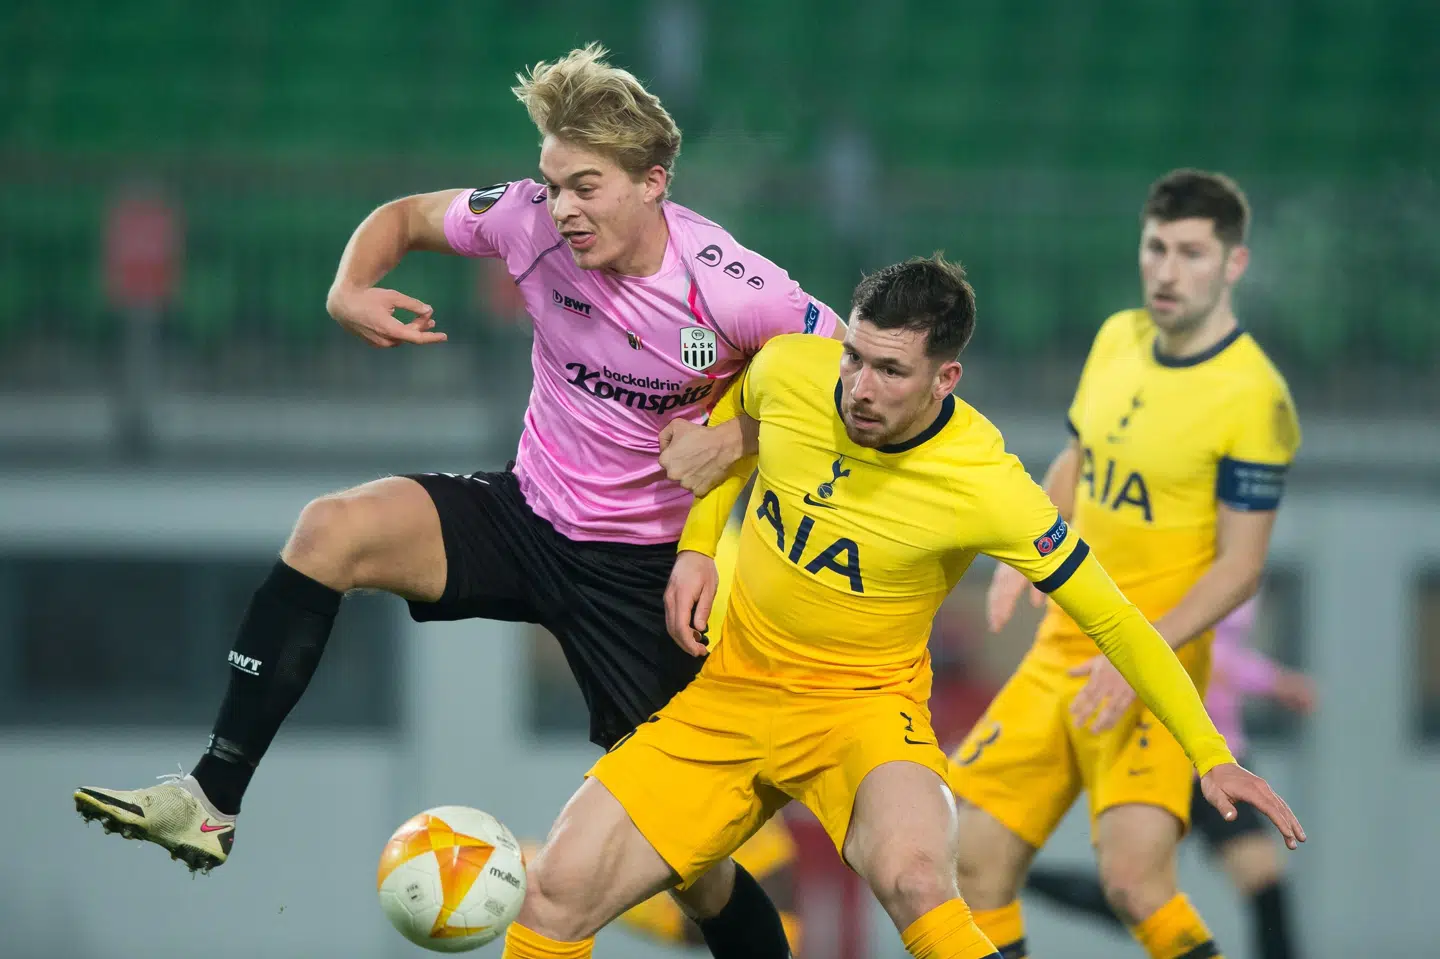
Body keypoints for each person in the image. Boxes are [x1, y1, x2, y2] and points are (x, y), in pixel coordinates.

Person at [73, 43, 847, 959]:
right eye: (552, 181)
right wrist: (348, 285)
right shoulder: (527, 221)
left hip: (645, 575)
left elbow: (853, 394)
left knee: (697, 865)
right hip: (526, 515)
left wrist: (736, 439)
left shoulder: (731, 285)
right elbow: (403, 216)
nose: (562, 206)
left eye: (586, 186)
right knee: (333, 530)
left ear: (654, 183)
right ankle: (211, 798)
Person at [495, 254, 1303, 959]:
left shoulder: (987, 484)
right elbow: (727, 440)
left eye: (889, 370)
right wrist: (700, 547)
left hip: (865, 712)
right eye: (854, 356)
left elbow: (1115, 618)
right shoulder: (790, 369)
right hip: (731, 693)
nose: (858, 386)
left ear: (945, 377)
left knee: (920, 880)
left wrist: (1207, 750)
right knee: (555, 891)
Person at [950, 169, 1303, 959]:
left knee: (1134, 883)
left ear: (1232, 264)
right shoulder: (1117, 336)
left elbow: (1242, 567)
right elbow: (1078, 457)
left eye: (1190, 253)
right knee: (972, 859)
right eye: (1155, 248)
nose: (1167, 271)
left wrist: (1142, 651)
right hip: (1060, 653)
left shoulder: (1255, 397)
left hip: (1158, 664)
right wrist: (1023, 550)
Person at [1023, 594, 1316, 959]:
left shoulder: (1237, 565)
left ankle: (1017, 878)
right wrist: (1273, 682)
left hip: (1222, 759)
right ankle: (1017, 877)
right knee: (1130, 892)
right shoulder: (1176, 560)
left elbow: (1218, 649)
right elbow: (1175, 647)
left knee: (1265, 885)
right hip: (1159, 749)